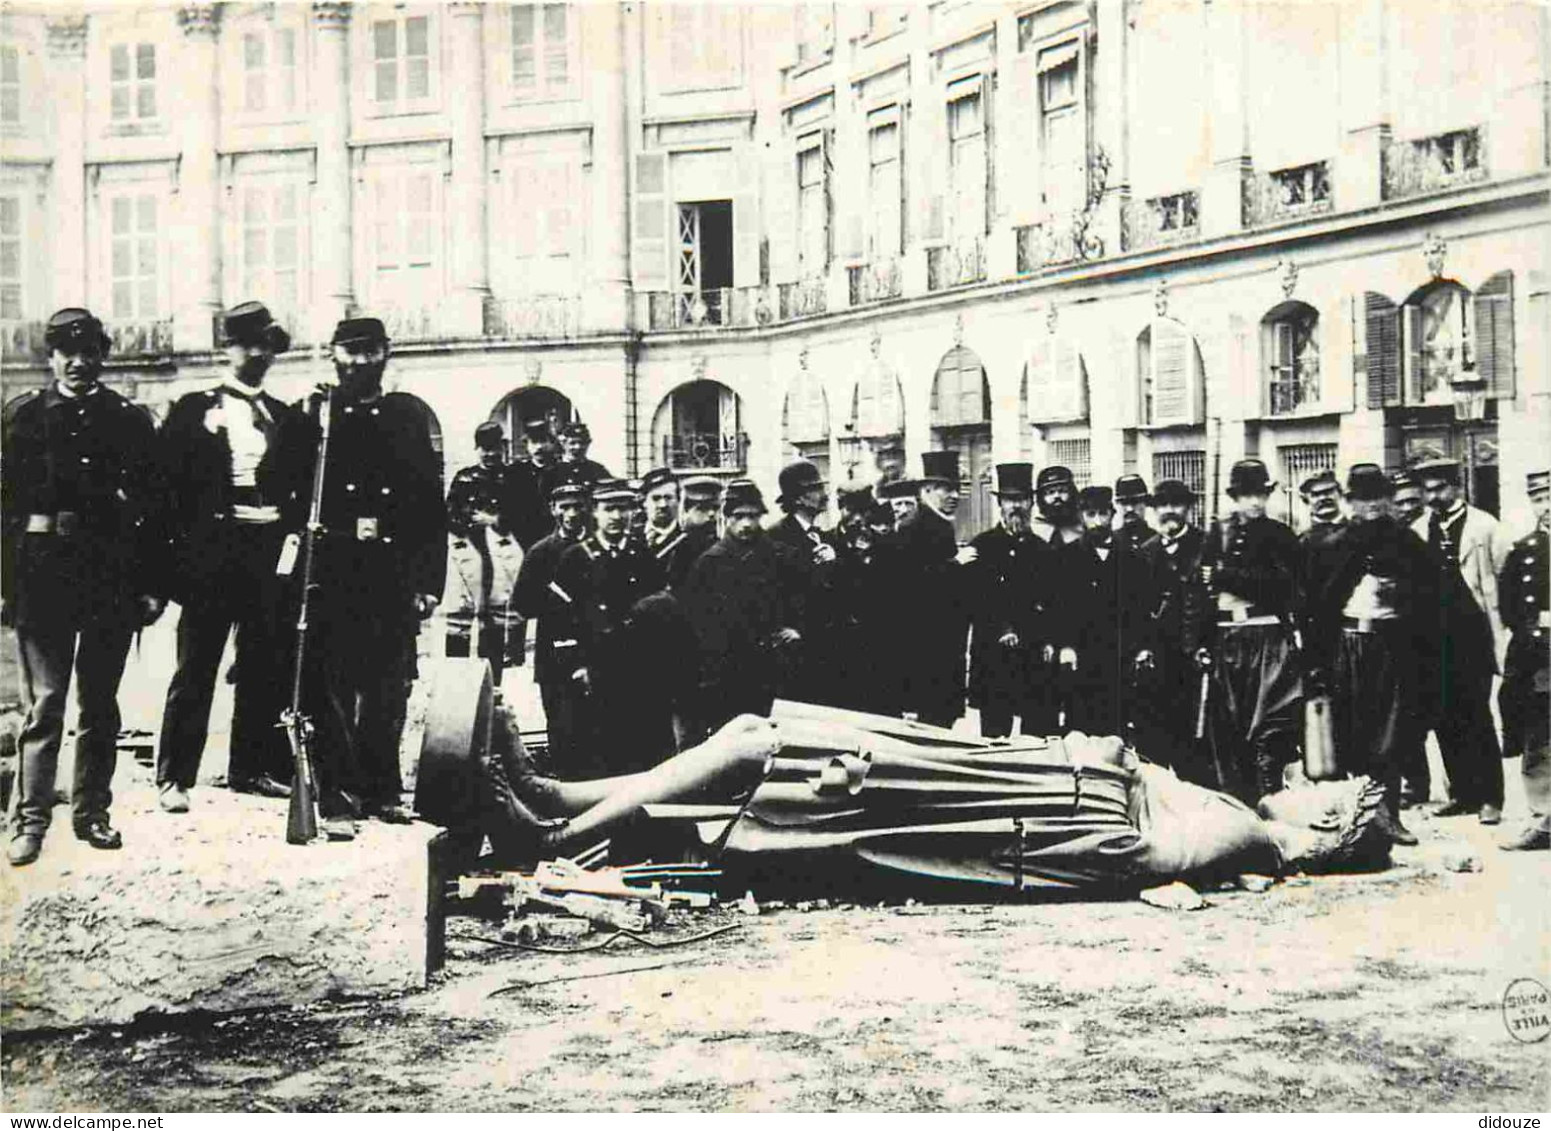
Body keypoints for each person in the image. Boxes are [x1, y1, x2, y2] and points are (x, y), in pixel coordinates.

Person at [459, 704, 1397, 893]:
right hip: (988, 774)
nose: (1311, 780)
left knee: (758, 747)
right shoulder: (1240, 820)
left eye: (1329, 790)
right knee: (753, 741)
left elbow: (1131, 855)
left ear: (1322, 827)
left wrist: (1106, 767)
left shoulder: (1244, 833)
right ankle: (550, 799)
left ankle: (550, 824)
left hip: (983, 799)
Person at [266, 316, 446, 832]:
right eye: (352, 352)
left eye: (371, 352)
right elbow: (274, 483)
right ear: (333, 355)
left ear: (387, 353)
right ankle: (339, 797)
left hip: (390, 572)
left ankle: (382, 790)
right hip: (334, 571)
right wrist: (301, 426)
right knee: (334, 688)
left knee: (389, 687)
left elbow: (428, 508)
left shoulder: (406, 417)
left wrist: (428, 583)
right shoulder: (314, 415)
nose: (362, 362)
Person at [2, 308, 166, 865]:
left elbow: (151, 511)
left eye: (89, 351)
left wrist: (150, 585)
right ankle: (30, 822)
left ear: (102, 356)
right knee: (45, 706)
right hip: (41, 575)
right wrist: (5, 587)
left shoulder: (127, 420)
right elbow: (4, 510)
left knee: (99, 705)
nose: (78, 362)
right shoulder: (21, 418)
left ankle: (93, 812)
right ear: (50, 358)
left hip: (108, 578)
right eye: (66, 352)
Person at [155, 301, 297, 813]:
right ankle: (175, 776)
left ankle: (251, 767)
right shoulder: (194, 410)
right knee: (197, 664)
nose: (258, 354)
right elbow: (166, 494)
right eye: (247, 344)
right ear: (227, 348)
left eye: (267, 346)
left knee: (263, 661)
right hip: (213, 554)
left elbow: (296, 491)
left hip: (266, 552)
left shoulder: (283, 417)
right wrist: (172, 569)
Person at [1301, 465, 1438, 846]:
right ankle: (1356, 815)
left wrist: (1403, 597)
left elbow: (1432, 600)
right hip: (1346, 645)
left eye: (1379, 497)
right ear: (1350, 502)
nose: (1372, 506)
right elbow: (1316, 606)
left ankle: (1387, 815)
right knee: (1350, 729)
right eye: (1362, 499)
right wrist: (1315, 660)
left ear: (1389, 499)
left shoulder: (1409, 543)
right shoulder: (1333, 544)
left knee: (1391, 732)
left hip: (1394, 646)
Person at [1196, 458, 1305, 807]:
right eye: (1246, 495)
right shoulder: (1217, 534)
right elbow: (1199, 591)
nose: (1255, 502)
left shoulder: (1280, 535)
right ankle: (1236, 802)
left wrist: (1230, 578)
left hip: (1267, 637)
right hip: (1226, 637)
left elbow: (1287, 589)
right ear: (1235, 497)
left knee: (1270, 720)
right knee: (1229, 723)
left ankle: (1269, 797)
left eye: (1260, 494)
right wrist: (1199, 639)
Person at [551, 479, 670, 774]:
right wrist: (577, 666)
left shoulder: (641, 556)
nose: (617, 517)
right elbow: (560, 620)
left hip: (637, 669)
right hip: (594, 670)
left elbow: (659, 613)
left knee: (642, 748)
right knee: (598, 749)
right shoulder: (575, 558)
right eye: (609, 509)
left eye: (623, 509)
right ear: (595, 512)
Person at [1412, 458, 1507, 825]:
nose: (1433, 496)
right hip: (1435, 640)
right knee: (1444, 717)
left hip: (1474, 636)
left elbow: (1503, 576)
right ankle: (1462, 793)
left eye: (1439, 488)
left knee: (1477, 716)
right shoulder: (1420, 530)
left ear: (1456, 488)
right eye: (1428, 490)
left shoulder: (1485, 527)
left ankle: (1490, 799)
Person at [679, 480, 812, 734]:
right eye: (738, 516)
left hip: (776, 669)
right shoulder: (709, 563)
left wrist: (797, 628)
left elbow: (804, 600)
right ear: (726, 518)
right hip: (727, 673)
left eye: (753, 516)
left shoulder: (782, 557)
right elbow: (697, 620)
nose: (747, 524)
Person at [1050, 485, 1158, 739]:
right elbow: (1058, 610)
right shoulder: (1065, 558)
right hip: (1081, 661)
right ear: (1081, 517)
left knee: (1116, 735)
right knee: (1079, 733)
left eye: (1102, 514)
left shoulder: (1133, 559)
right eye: (1090, 515)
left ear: (1112, 514)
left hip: (1120, 660)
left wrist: (1143, 647)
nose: (1097, 521)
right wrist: (1065, 646)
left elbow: (1142, 610)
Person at [512, 482, 593, 772]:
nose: (572, 513)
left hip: (594, 650)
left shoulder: (596, 545)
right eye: (565, 507)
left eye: (578, 506)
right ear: (553, 510)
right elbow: (522, 605)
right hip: (553, 656)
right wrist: (555, 599)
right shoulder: (541, 552)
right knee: (561, 725)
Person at [1135, 478, 1210, 782]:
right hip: (1157, 660)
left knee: (1195, 742)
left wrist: (1206, 646)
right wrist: (1141, 646)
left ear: (1189, 508)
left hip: (1195, 659)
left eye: (1176, 504)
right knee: (1155, 743)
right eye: (1162, 505)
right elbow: (1135, 606)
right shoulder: (1144, 551)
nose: (1169, 511)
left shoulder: (1205, 546)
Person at [967, 464, 1050, 738]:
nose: (1016, 506)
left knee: (1035, 735)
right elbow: (976, 601)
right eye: (1010, 500)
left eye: (1022, 499)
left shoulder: (1042, 550)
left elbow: (1050, 601)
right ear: (1000, 504)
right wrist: (1001, 628)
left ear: (1031, 503)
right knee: (994, 737)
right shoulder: (982, 546)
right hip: (993, 657)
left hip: (1031, 656)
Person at [895, 452, 976, 728]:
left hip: (946, 646)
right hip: (924, 647)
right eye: (946, 489)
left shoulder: (942, 525)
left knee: (943, 718)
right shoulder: (912, 529)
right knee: (929, 721)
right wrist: (955, 564)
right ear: (927, 490)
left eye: (957, 488)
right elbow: (910, 585)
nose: (954, 495)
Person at [444, 421, 525, 682]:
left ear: (502, 449)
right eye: (484, 449)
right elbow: (449, 514)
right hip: (470, 552)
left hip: (502, 551)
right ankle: (456, 677)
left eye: (494, 450)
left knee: (498, 614)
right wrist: (468, 522)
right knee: (461, 614)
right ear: (477, 449)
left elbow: (526, 514)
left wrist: (495, 520)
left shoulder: (514, 478)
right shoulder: (465, 478)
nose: (490, 455)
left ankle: (496, 677)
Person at [1496, 469, 1549, 851]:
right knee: (1537, 727)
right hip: (1539, 652)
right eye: (1539, 499)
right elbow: (1510, 605)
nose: (1546, 507)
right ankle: (1542, 808)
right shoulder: (1526, 550)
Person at [827, 485, 904, 716]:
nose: (858, 519)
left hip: (878, 651)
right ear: (841, 509)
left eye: (864, 512)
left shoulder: (886, 546)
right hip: (837, 649)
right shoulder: (827, 543)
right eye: (851, 511)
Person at [1388, 467, 1430, 808]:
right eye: (1399, 502)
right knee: (1403, 717)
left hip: (1430, 638)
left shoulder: (1426, 534)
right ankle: (1415, 784)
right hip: (1396, 639)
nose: (1406, 508)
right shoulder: (1394, 536)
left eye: (1412, 501)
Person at [659, 475, 722, 590]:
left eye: (715, 508)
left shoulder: (723, 546)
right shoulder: (675, 548)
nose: (712, 514)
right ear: (686, 511)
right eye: (703, 508)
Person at [510, 420, 563, 549]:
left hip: (555, 537)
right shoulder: (515, 473)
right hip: (523, 538)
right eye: (534, 442)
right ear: (527, 445)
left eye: (543, 441)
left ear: (552, 443)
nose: (539, 447)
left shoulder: (562, 471)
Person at [551, 421, 612, 491]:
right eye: (572, 443)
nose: (578, 447)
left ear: (588, 443)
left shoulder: (597, 470)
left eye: (582, 443)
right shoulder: (551, 472)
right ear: (563, 444)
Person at [1031, 465, 1083, 547]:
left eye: (1062, 491)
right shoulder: (1033, 530)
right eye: (1050, 492)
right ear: (1040, 498)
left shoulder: (1083, 528)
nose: (1057, 496)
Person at [639, 466, 681, 554]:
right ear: (644, 502)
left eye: (668, 498)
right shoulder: (632, 537)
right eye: (656, 498)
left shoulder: (687, 540)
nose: (663, 505)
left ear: (678, 500)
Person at [1113, 474, 1156, 552]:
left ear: (1145, 503)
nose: (1129, 509)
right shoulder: (1112, 542)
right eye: (1124, 503)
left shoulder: (1157, 541)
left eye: (1135, 502)